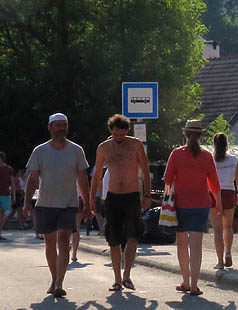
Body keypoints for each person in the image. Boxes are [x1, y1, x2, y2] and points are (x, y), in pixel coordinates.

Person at [23, 113, 90, 297]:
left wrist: (87, 203)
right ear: (50, 128)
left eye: (64, 125)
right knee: (50, 243)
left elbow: (82, 177)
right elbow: (33, 178)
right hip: (45, 204)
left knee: (63, 241)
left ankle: (60, 283)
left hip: (69, 203)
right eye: (58, 125)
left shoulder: (76, 150)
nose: (61, 128)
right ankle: (54, 279)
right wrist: (27, 203)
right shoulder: (40, 151)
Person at [89, 114, 152, 292]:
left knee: (133, 235)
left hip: (132, 196)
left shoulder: (135, 145)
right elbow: (96, 176)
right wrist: (92, 199)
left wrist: (146, 195)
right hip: (113, 197)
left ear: (127, 132)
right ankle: (117, 279)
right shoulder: (103, 148)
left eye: (122, 135)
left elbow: (146, 172)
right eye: (116, 134)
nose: (119, 138)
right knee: (113, 239)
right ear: (111, 131)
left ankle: (127, 275)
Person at [163, 119, 221, 296]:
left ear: (185, 134)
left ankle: (185, 281)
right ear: (201, 135)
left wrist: (168, 200)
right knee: (196, 245)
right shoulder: (206, 156)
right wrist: (218, 201)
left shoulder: (176, 154)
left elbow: (167, 180)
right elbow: (214, 183)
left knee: (182, 244)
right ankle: (195, 285)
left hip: (180, 204)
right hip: (201, 204)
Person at [209, 132, 238, 269]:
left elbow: (206, 180)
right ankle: (228, 252)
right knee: (228, 226)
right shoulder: (233, 160)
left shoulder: (211, 160)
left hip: (213, 193)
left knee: (217, 229)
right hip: (229, 192)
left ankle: (219, 261)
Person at [0, 151, 16, 240]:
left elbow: (12, 183)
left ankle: (0, 233)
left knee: (3, 214)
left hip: (6, 193)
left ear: (1, 159)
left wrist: (14, 195)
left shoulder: (9, 169)